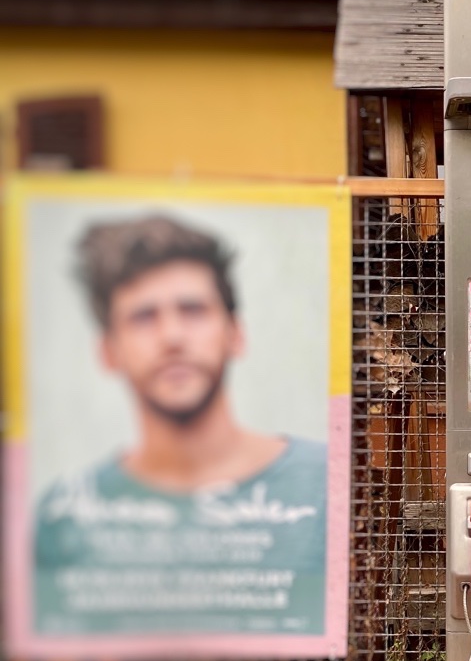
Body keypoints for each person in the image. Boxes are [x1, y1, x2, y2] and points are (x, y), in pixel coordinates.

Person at [33, 215, 327, 636]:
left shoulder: (326, 485)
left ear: (235, 334)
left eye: (193, 310)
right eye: (143, 317)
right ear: (109, 351)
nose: (171, 336)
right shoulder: (65, 516)